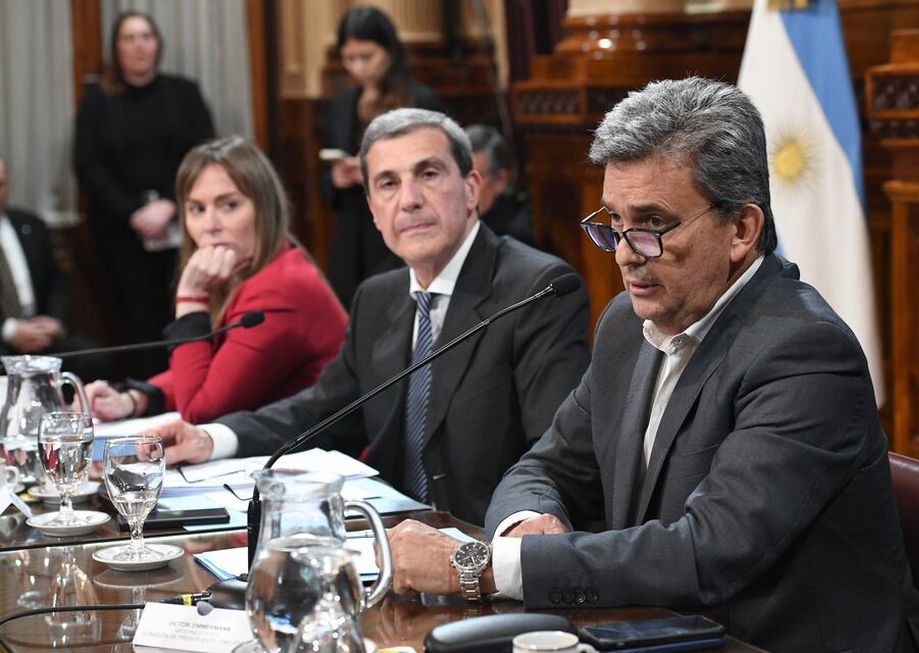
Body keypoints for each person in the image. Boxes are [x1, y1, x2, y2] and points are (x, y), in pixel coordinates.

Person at [385, 78, 919, 652]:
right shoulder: (627, 326)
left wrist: (481, 565)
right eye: (616, 223)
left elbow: (707, 551)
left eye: (652, 224)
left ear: (741, 231)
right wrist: (528, 528)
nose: (627, 252)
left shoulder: (804, 353)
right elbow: (544, 469)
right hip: (658, 632)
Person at [155, 108, 590, 525]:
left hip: (484, 548)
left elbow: (554, 453)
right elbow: (318, 413)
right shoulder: (378, 297)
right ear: (372, 209)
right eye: (387, 183)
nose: (409, 201)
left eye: (428, 174)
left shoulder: (535, 289)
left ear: (472, 188)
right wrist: (211, 438)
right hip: (389, 543)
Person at [85, 136, 347, 425]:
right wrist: (135, 398)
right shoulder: (258, 268)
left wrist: (190, 297)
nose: (209, 226)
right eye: (197, 209)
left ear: (264, 208)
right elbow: (217, 369)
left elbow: (200, 411)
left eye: (229, 206)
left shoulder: (281, 289)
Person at [74, 10, 215, 378]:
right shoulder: (98, 100)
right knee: (135, 319)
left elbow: (202, 154)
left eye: (146, 37)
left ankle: (186, 387)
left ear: (158, 44)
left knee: (183, 310)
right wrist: (133, 214)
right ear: (116, 48)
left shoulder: (183, 93)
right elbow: (88, 166)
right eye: (129, 38)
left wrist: (170, 202)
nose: (139, 47)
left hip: (180, 223)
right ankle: (146, 394)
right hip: (122, 232)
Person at [323, 5, 447, 306]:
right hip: (355, 226)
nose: (358, 68)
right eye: (349, 59)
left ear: (389, 51)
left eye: (367, 57)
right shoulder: (343, 104)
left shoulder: (419, 100)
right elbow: (325, 184)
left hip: (404, 220)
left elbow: (439, 165)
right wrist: (336, 177)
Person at [0, 157, 109, 381]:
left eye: (0, 184)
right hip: (3, 342)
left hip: (40, 333)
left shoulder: (30, 225)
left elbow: (57, 282)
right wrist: (8, 330)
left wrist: (54, 321)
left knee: (94, 358)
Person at [465, 125, 534, 246]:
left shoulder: (516, 237)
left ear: (501, 181)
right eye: (458, 174)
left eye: (474, 178)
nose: (462, 187)